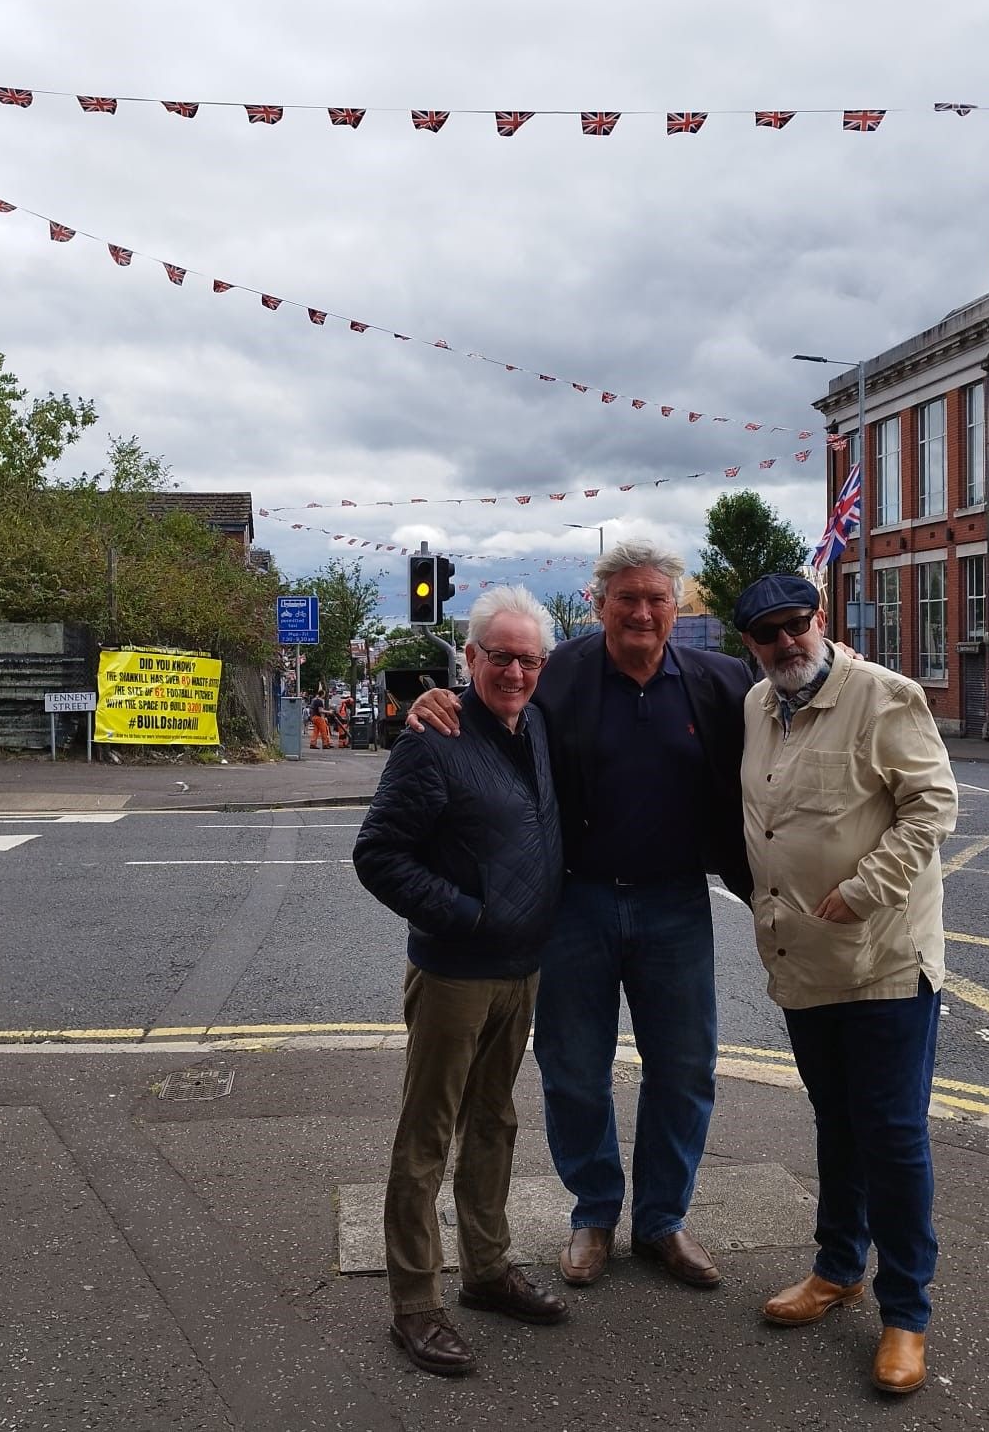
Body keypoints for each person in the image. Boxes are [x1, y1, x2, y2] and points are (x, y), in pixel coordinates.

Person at [410, 540, 752, 1291]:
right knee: (573, 1070)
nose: (640, 611)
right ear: (597, 606)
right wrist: (431, 700)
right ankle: (594, 1212)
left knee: (685, 1069)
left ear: (674, 607)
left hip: (676, 905)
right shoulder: (555, 674)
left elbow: (798, 708)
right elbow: (486, 707)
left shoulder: (722, 681)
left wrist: (844, 664)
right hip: (576, 903)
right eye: (624, 598)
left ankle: (662, 1220)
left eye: (655, 599)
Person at [732, 573, 959, 1396]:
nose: (786, 643)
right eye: (768, 634)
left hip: (883, 959)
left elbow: (932, 808)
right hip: (803, 961)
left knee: (892, 1135)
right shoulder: (758, 705)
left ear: (820, 621)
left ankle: (906, 1314)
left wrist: (862, 887)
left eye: (797, 625)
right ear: (750, 645)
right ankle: (837, 1270)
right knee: (837, 1122)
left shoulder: (885, 696)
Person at [352, 586, 569, 1377]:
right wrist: (466, 916)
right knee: (426, 1137)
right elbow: (377, 855)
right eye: (499, 656)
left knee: (496, 1123)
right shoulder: (432, 739)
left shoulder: (538, 724)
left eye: (528, 659)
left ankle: (486, 1270)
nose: (515, 671)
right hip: (455, 972)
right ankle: (415, 1304)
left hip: (522, 969)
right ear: (470, 658)